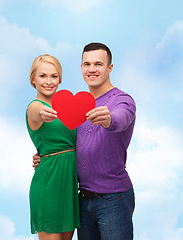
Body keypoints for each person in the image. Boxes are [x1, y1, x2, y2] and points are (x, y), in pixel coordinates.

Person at [33, 43, 136, 240]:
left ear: (110, 68)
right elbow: (73, 143)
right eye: (86, 64)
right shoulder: (78, 105)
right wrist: (47, 156)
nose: (91, 69)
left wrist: (109, 119)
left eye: (98, 64)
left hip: (114, 199)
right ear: (81, 68)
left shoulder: (123, 100)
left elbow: (122, 118)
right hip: (81, 199)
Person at [26, 54, 80, 240]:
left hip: (69, 186)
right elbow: (34, 113)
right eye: (42, 76)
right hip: (49, 185)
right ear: (33, 78)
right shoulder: (35, 106)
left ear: (60, 78)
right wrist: (41, 112)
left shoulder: (68, 107)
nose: (48, 81)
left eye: (54, 76)